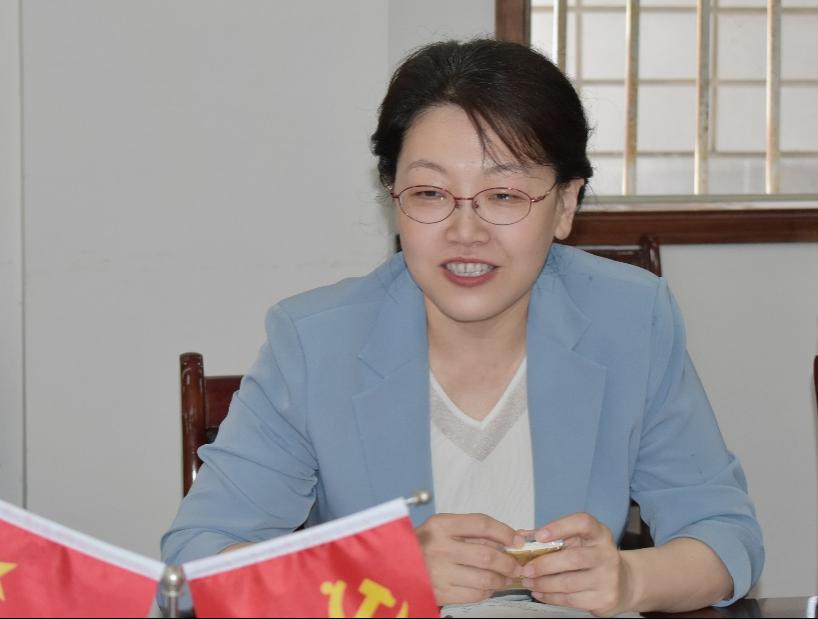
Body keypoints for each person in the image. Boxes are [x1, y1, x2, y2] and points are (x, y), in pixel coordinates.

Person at [162, 39, 763, 615]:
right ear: (393, 199)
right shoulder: (315, 343)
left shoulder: (631, 319)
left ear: (565, 204)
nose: (465, 232)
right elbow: (192, 568)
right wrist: (379, 576)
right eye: (430, 192)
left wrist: (630, 580)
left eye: (503, 195)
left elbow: (724, 535)